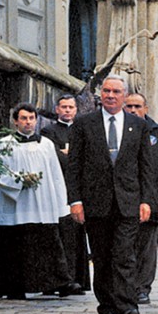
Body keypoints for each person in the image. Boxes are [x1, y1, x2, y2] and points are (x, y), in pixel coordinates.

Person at [66, 75, 153, 314]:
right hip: (96, 202)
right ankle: (106, 305)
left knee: (125, 255)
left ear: (124, 96)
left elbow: (146, 167)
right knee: (102, 257)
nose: (111, 95)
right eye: (106, 91)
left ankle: (127, 306)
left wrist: (146, 200)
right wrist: (75, 200)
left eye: (116, 91)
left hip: (128, 201)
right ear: (100, 94)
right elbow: (75, 167)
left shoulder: (138, 126)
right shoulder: (84, 124)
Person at [0, 103, 73, 300]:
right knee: (15, 245)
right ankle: (13, 286)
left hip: (43, 204)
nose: (28, 123)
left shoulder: (46, 144)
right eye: (24, 118)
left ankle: (54, 283)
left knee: (47, 242)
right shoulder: (5, 144)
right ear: (15, 121)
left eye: (31, 119)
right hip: (17, 204)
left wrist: (62, 203)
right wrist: (19, 180)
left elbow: (55, 174)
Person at [124, 93, 158, 306]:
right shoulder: (118, 131)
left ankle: (142, 287)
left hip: (151, 195)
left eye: (137, 106)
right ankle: (125, 285)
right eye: (129, 106)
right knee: (125, 244)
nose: (133, 110)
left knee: (146, 245)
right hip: (125, 195)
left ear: (146, 108)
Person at [40, 94, 89, 294]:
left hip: (79, 187)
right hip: (56, 187)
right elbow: (51, 155)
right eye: (64, 107)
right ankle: (57, 281)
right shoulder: (48, 130)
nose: (67, 110)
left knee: (77, 235)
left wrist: (71, 155)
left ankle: (78, 279)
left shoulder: (83, 128)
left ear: (76, 110)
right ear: (57, 109)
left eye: (71, 107)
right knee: (57, 235)